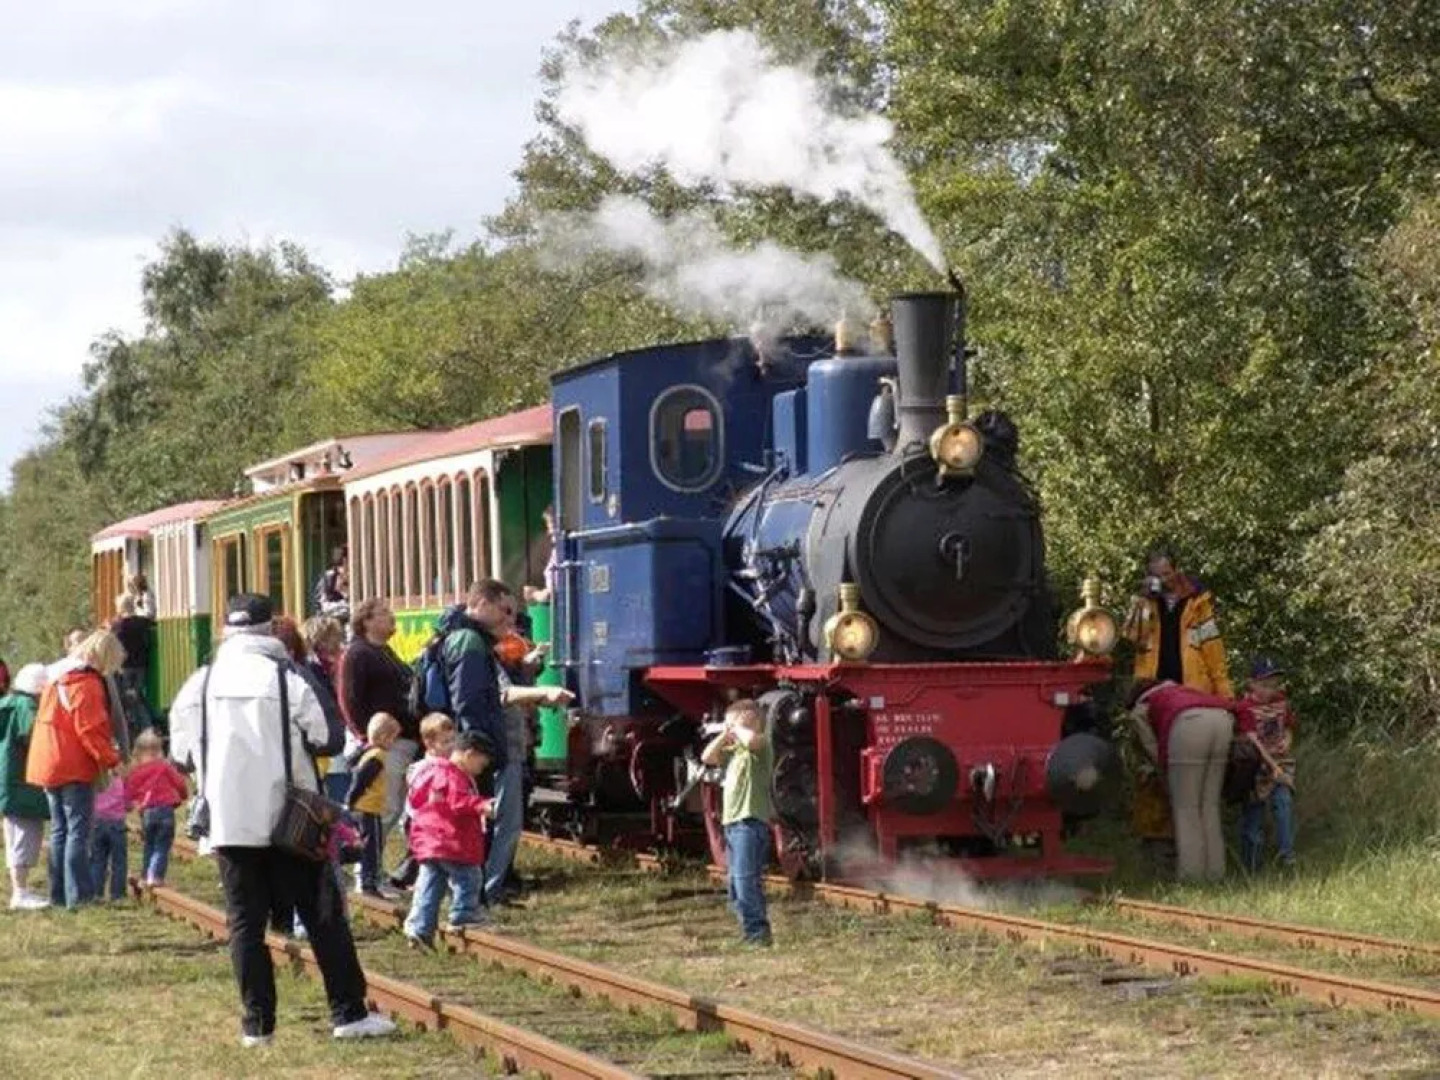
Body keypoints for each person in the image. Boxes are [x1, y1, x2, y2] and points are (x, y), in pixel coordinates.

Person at [168, 593, 396, 1046]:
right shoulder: (287, 676)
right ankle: (348, 1013)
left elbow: (181, 755)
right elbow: (328, 738)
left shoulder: (201, 682)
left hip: (230, 823)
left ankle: (257, 1026)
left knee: (244, 924)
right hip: (292, 818)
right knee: (323, 916)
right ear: (270, 629)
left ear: (226, 631)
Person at [439, 579, 573, 905]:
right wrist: (542, 694)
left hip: (485, 745)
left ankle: (481, 892)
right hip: (481, 747)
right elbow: (476, 700)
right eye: (506, 610)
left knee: (492, 821)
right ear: (483, 603)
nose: (511, 619)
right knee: (493, 822)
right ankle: (483, 894)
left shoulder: (477, 641)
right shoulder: (470, 643)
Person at [1121, 549, 1234, 871]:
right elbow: (1130, 637)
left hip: (1192, 698)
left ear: (1177, 571)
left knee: (1195, 786)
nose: (1163, 581)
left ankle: (1196, 859)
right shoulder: (1146, 604)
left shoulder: (1199, 605)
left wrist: (1227, 699)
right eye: (1157, 575)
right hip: (1153, 697)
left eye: (1167, 574)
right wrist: (1141, 601)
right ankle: (1158, 848)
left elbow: (1216, 658)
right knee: (1152, 775)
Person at [27, 630, 125, 908]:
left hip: (48, 761)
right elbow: (90, 730)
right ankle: (79, 896)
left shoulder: (57, 678)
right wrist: (112, 760)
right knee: (78, 831)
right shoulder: (86, 683)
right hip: (72, 764)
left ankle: (58, 894)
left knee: (59, 830)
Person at [1128, 679, 1254, 881]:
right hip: (1222, 720)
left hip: (1187, 724)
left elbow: (1151, 747)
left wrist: (1164, 773)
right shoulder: (1181, 690)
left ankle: (1191, 877)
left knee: (1186, 810)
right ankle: (1215, 874)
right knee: (1210, 808)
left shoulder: (1142, 705)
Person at [402, 730, 495, 948]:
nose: (482, 770)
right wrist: (481, 805)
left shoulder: (431, 771)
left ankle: (420, 929)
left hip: (429, 842)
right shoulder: (453, 775)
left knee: (431, 885)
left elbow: (417, 799)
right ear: (469, 755)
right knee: (469, 877)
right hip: (451, 842)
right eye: (481, 764)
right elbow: (458, 801)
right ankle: (464, 913)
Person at [341, 599, 417, 849]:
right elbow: (349, 699)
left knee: (393, 808)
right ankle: (367, 868)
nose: (391, 616)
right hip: (384, 743)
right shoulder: (358, 653)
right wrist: (368, 737)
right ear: (367, 622)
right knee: (385, 808)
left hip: (401, 738)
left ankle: (373, 868)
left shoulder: (385, 651)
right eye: (383, 613)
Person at [701, 699, 775, 946]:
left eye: (734, 721)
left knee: (745, 881)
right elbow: (707, 756)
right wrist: (725, 733)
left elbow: (752, 739)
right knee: (735, 885)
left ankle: (757, 935)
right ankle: (749, 929)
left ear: (751, 720)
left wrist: (738, 726)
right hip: (732, 824)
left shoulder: (761, 745)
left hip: (750, 822)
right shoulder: (734, 752)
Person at [0, 664, 51, 909]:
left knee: (13, 834)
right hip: (23, 782)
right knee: (25, 835)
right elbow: (34, 735)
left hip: (8, 779)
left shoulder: (7, 702)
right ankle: (20, 893)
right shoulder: (26, 707)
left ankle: (19, 890)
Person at [1240, 658, 1298, 871]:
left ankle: (1287, 857)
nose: (1269, 690)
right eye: (1264, 685)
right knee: (1254, 814)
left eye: (1273, 685)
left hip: (1281, 762)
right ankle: (1252, 866)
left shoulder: (1281, 701)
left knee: (1283, 804)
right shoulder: (1245, 707)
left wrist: (1287, 741)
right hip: (1255, 768)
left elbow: (1289, 726)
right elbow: (1253, 742)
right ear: (1252, 684)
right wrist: (1273, 766)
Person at [125, 728, 189, 885]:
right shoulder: (165, 767)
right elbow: (180, 783)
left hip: (147, 813)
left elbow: (128, 792)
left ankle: (146, 875)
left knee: (149, 844)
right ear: (160, 751)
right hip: (166, 812)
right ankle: (155, 876)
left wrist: (129, 805)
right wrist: (183, 795)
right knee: (162, 845)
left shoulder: (136, 772)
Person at [347, 712, 401, 897]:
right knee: (372, 847)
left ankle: (368, 880)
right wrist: (351, 799)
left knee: (367, 844)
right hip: (368, 808)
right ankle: (369, 883)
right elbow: (361, 779)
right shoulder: (378, 756)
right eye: (393, 738)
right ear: (384, 737)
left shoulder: (367, 751)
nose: (394, 743)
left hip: (366, 807)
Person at [302, 616, 351, 804]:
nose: (339, 642)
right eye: (335, 637)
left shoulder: (331, 664)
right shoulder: (314, 668)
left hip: (336, 732)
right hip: (328, 734)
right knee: (336, 792)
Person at [111, 594, 157, 737]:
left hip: (125, 666)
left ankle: (144, 728)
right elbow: (152, 618)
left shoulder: (118, 625)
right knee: (136, 696)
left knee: (129, 699)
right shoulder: (142, 622)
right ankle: (145, 728)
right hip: (142, 665)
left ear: (120, 608)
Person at [91, 772, 129, 902]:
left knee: (97, 861)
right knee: (119, 862)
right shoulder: (121, 781)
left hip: (97, 823)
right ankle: (117, 894)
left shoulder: (95, 781)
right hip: (117, 824)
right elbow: (128, 804)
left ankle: (96, 893)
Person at [522, 505, 559, 606]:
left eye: (551, 527)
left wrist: (534, 594)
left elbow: (552, 593)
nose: (549, 532)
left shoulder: (561, 552)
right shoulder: (557, 550)